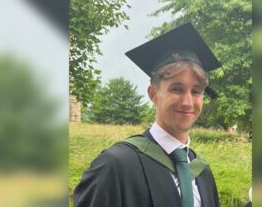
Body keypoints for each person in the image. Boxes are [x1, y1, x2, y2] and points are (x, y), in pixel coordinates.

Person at [73, 23, 221, 207]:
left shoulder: (202, 171)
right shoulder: (114, 166)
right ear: (153, 94)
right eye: (176, 89)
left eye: (196, 91)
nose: (188, 102)